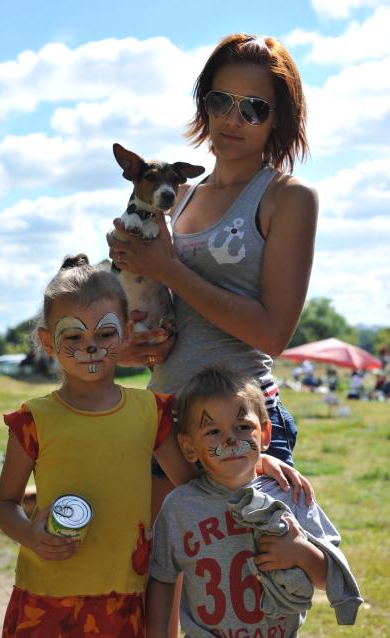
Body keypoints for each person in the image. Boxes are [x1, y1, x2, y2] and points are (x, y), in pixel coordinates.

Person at [108, 33, 318, 469]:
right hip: (164, 426)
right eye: (220, 100)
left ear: (280, 118)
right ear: (204, 104)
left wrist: (168, 269)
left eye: (254, 107)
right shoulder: (174, 198)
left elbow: (273, 335)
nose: (233, 118)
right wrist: (129, 346)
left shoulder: (288, 198)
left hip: (240, 429)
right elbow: (156, 315)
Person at [0, 254, 198, 638]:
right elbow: (5, 505)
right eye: (73, 336)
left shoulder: (149, 412)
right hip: (47, 600)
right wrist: (30, 535)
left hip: (124, 600)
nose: (91, 347)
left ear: (126, 332)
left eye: (104, 334)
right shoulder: (34, 420)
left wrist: (256, 468)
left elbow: (191, 488)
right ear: (47, 342)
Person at [146, 366, 362, 637]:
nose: (230, 439)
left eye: (243, 427)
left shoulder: (290, 494)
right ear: (188, 447)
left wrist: (301, 552)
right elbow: (162, 579)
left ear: (265, 434)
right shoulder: (178, 507)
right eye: (212, 431)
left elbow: (330, 579)